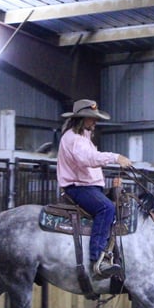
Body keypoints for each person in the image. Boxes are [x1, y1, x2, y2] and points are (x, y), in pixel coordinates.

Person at [56, 99, 132, 279]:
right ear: (82, 118)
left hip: (88, 187)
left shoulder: (82, 138)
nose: (95, 122)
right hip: (78, 188)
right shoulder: (74, 139)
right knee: (106, 208)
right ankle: (98, 257)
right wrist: (115, 157)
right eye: (91, 118)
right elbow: (87, 159)